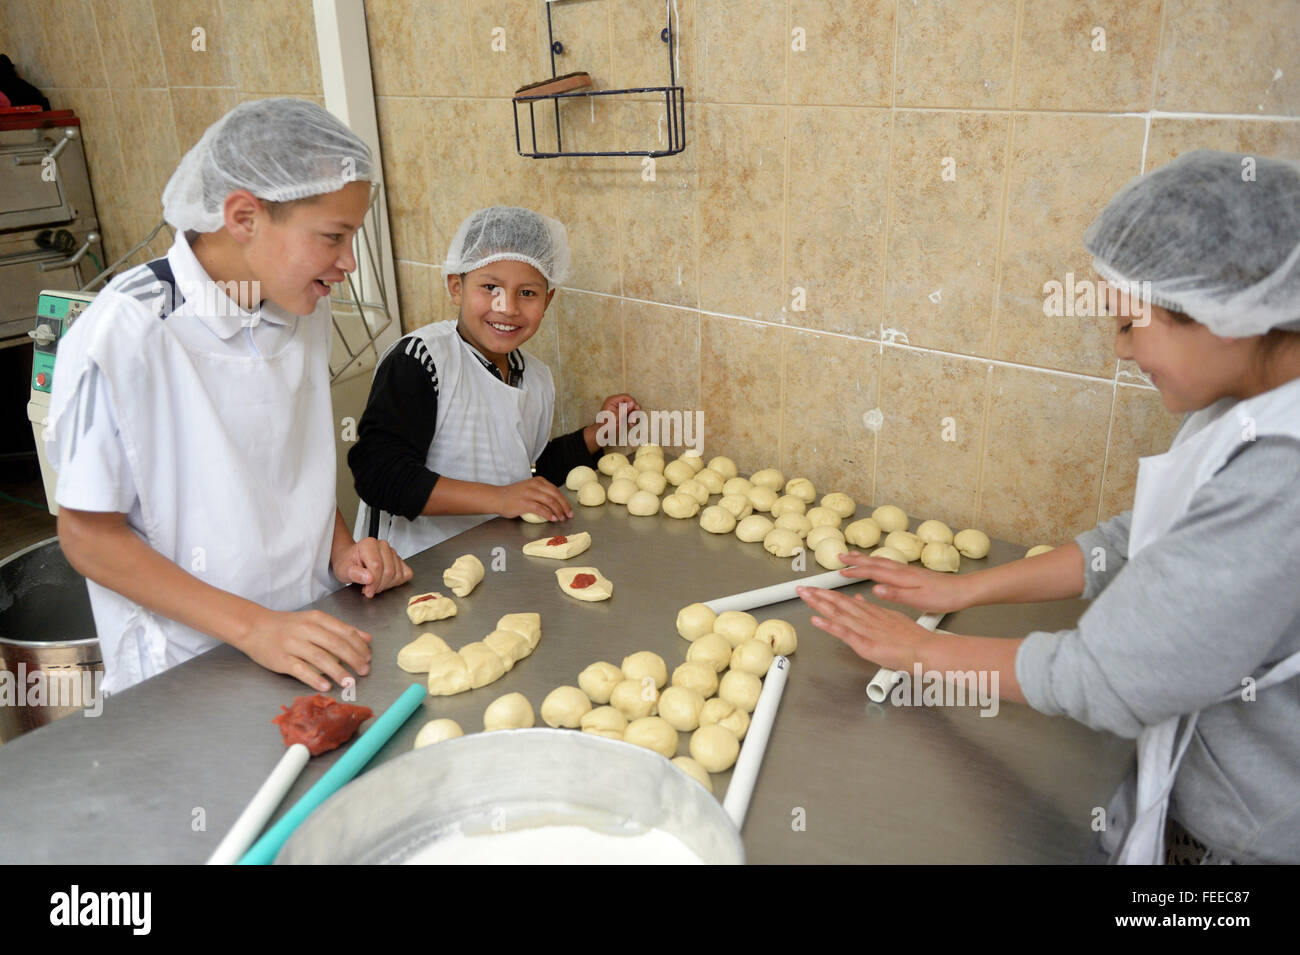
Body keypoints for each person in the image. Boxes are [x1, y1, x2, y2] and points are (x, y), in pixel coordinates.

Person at [798, 150, 1300, 864]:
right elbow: (1146, 537)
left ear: (1225, 315)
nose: (1123, 351)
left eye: (1130, 323)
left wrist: (919, 647)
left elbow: (1107, 676)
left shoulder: (1286, 472)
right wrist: (965, 587)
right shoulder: (1255, 410)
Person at [49, 99, 412, 697]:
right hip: (187, 671)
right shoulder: (126, 332)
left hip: (304, 639)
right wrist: (255, 628)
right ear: (244, 216)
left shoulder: (300, 307)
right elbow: (88, 537)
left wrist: (342, 551)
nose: (348, 263)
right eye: (333, 237)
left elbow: (286, 468)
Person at [349, 205, 638, 559]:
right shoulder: (422, 360)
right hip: (407, 570)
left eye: (528, 293)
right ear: (456, 287)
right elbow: (380, 475)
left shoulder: (535, 377)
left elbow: (526, 474)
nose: (507, 307)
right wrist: (499, 498)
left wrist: (597, 434)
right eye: (490, 287)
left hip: (494, 567)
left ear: (548, 300)